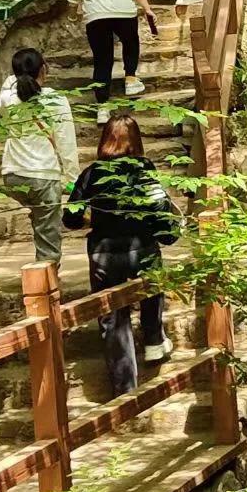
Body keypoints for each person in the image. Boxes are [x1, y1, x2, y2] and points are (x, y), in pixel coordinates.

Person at [63, 114, 180, 396]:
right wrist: (167, 232)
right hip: (141, 247)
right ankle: (153, 339)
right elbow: (159, 208)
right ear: (136, 140)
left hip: (104, 253)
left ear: (105, 141)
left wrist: (93, 219)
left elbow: (70, 217)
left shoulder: (92, 173)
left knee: (112, 315)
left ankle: (124, 388)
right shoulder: (144, 169)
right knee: (152, 280)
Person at [0, 48, 79, 265]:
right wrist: (73, 179)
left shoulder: (5, 99)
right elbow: (66, 142)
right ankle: (45, 286)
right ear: (44, 69)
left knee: (40, 217)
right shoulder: (55, 100)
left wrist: (16, 76)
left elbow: (7, 88)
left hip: (12, 175)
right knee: (48, 234)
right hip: (42, 174)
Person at [68, 0, 158, 123]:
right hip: (123, 11)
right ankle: (131, 80)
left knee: (102, 59)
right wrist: (147, 8)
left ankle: (102, 107)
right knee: (131, 42)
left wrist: (72, 17)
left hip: (96, 15)